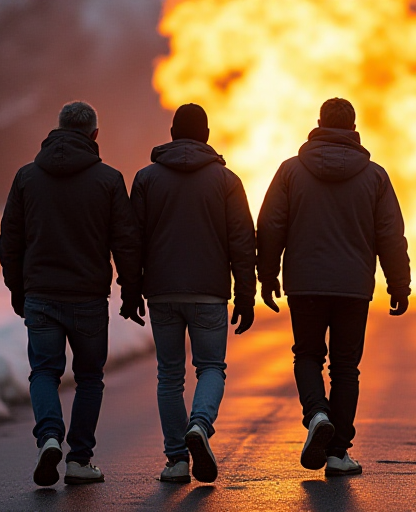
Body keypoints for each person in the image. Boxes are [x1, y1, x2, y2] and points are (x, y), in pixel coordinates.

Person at [256, 97, 411, 476]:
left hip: (305, 284)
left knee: (307, 355)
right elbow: (390, 235)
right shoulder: (375, 176)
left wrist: (267, 274)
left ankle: (316, 414)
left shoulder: (290, 172)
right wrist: (399, 284)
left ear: (319, 123)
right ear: (354, 127)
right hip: (353, 288)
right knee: (345, 368)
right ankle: (338, 453)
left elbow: (271, 225)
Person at [0, 101, 143, 487]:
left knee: (44, 371)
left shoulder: (27, 177)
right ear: (95, 135)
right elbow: (126, 242)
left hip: (41, 295)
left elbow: (9, 241)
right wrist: (131, 292)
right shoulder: (109, 180)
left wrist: (18, 289)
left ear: (57, 129)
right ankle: (79, 459)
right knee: (89, 377)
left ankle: (48, 436)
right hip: (88, 298)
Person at [129, 103, 256, 484]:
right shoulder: (227, 181)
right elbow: (242, 241)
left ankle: (176, 461)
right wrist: (246, 295)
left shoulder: (146, 179)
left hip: (162, 292)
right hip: (209, 293)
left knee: (169, 375)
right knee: (211, 367)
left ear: (171, 133)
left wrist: (131, 290)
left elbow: (132, 240)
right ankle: (199, 425)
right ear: (206, 135)